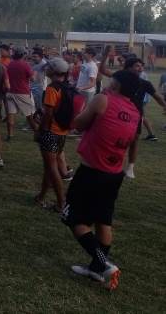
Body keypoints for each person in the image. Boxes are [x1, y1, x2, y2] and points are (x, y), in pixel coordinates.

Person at [63, 70, 141, 291]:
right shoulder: (135, 110)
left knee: (72, 217)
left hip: (91, 172)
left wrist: (79, 110)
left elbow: (78, 124)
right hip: (114, 174)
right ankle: (96, 271)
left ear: (116, 83)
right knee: (103, 220)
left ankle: (103, 263)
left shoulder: (103, 99)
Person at [34, 58, 73, 212]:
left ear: (54, 71)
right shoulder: (68, 86)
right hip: (62, 133)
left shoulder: (52, 88)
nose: (46, 70)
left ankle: (61, 203)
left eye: (48, 68)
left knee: (52, 168)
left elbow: (48, 113)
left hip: (51, 132)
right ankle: (41, 196)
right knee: (49, 167)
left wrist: (40, 131)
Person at [5, 49, 38, 140]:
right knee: (29, 116)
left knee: (11, 114)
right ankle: (37, 133)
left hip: (11, 92)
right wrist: (34, 74)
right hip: (22, 93)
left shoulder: (10, 64)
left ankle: (10, 135)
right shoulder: (25, 65)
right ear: (22, 56)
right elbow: (33, 79)